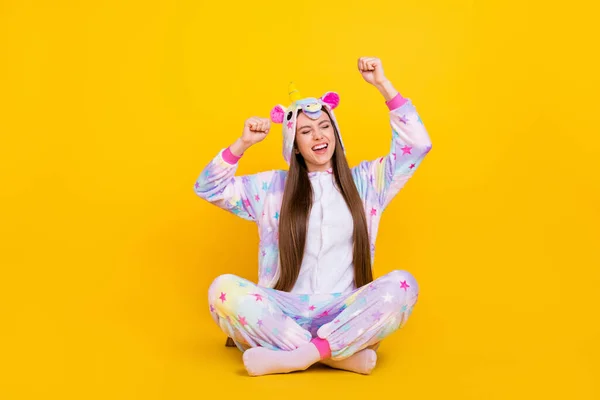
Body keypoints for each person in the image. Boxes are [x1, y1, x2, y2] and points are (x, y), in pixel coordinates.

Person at [194, 57, 432, 376]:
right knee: (221, 289)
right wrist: (243, 143)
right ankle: (336, 355)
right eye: (306, 131)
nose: (318, 136)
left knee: (403, 285)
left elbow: (418, 145)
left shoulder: (368, 182)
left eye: (324, 126)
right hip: (284, 312)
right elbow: (208, 188)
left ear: (334, 133)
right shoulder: (272, 187)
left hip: (343, 310)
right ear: (294, 145)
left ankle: (299, 357)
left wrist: (382, 85)